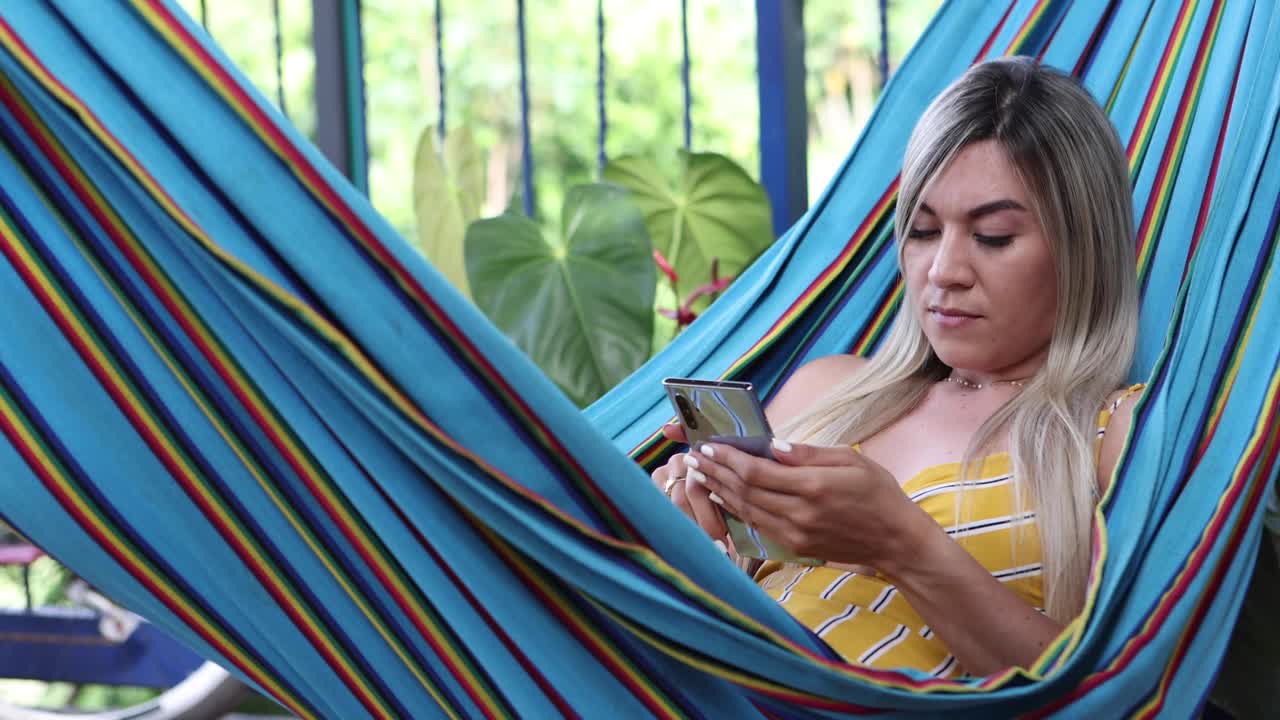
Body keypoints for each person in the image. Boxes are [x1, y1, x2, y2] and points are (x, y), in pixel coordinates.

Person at [650, 56, 1143, 679]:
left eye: (992, 236)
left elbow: (1109, 695)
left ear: (1084, 248)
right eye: (922, 230)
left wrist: (900, 544)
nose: (944, 271)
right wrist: (688, 531)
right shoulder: (830, 390)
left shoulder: (1113, 432)